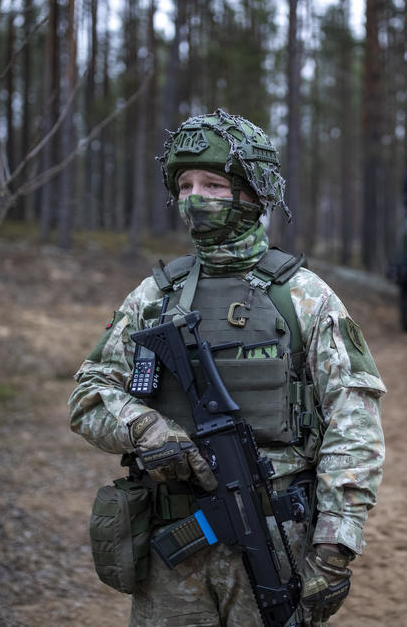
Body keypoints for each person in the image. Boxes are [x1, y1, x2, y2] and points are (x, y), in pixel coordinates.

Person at [68, 108, 386, 626]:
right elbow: (89, 393)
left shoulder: (304, 298)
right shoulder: (155, 296)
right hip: (172, 549)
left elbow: (356, 426)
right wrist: (146, 426)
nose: (196, 197)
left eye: (213, 184)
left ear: (252, 192)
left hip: (276, 542)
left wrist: (335, 545)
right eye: (186, 184)